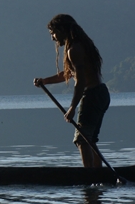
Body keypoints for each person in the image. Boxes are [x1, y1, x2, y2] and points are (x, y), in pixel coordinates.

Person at [33, 14, 110, 168]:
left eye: (53, 33)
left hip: (93, 95)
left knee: (82, 139)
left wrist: (73, 107)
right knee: (89, 139)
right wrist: (45, 81)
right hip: (101, 93)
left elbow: (80, 81)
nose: (53, 38)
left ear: (62, 29)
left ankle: (90, 176)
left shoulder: (74, 49)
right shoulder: (81, 45)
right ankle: (98, 174)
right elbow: (69, 73)